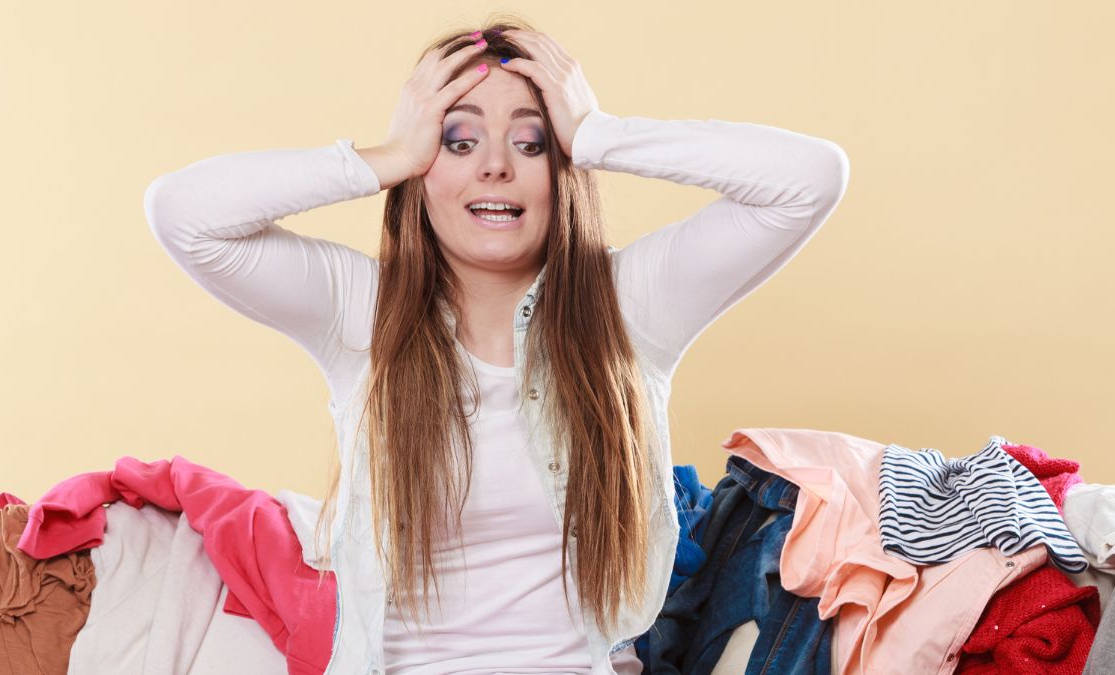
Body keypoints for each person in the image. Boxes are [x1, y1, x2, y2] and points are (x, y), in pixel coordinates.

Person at [143, 15, 849, 675]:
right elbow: (184, 213)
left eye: (531, 140)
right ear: (424, 168)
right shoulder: (363, 313)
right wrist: (386, 155)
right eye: (458, 140)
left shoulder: (628, 305)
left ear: (561, 165)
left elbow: (809, 178)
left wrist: (601, 133)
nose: (494, 166)